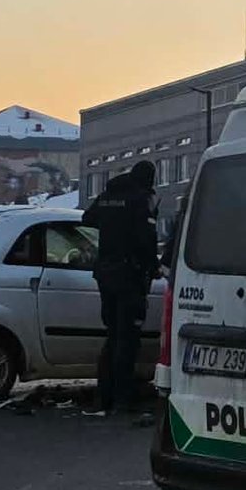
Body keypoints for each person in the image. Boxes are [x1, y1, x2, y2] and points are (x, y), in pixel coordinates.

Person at [82, 160, 160, 417]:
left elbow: (87, 218)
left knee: (113, 335)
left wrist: (111, 229)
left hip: (105, 273)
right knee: (127, 339)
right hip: (129, 275)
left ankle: (103, 396)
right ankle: (122, 399)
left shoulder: (108, 196)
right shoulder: (139, 200)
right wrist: (153, 267)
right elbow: (146, 240)